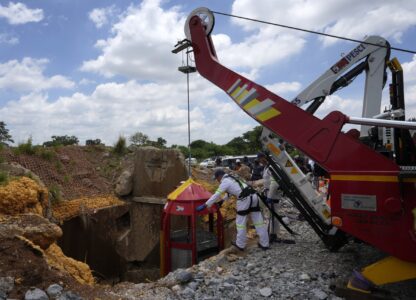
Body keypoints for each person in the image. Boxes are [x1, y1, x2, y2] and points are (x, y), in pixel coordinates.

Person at [196, 169, 269, 251]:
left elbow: (216, 194)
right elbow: (232, 191)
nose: (217, 181)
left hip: (244, 199)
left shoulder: (225, 181)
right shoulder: (233, 178)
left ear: (219, 176)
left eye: (217, 179)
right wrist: (223, 200)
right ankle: (265, 244)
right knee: (258, 221)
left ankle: (240, 244)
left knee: (240, 222)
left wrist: (205, 205)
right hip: (254, 196)